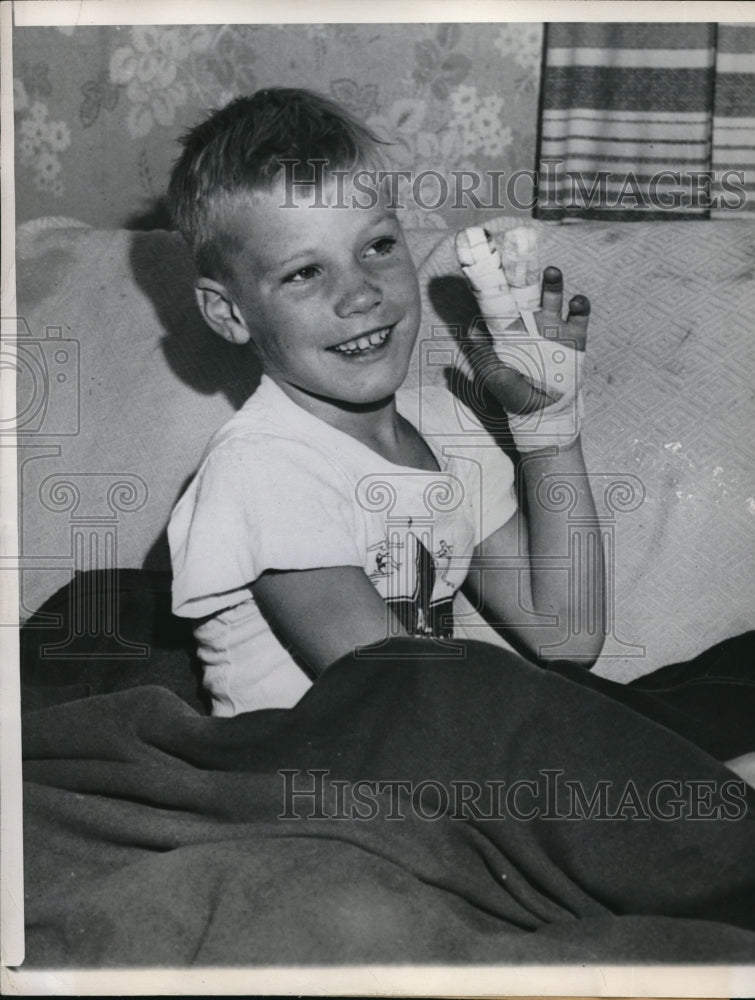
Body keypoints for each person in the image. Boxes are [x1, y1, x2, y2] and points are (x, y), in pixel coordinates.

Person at [166, 87, 607, 717]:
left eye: (376, 247)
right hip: (295, 789)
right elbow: (398, 693)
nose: (361, 295)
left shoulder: (443, 426)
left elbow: (568, 634)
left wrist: (548, 427)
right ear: (229, 312)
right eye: (304, 273)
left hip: (420, 765)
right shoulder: (261, 468)